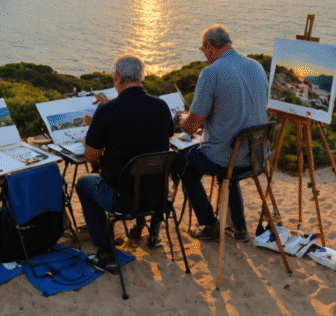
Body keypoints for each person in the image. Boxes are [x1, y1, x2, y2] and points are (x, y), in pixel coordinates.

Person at [75, 55, 174, 272]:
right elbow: (163, 138)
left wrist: (97, 130)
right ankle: (146, 229)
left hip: (123, 201)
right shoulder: (161, 106)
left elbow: (90, 156)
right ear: (141, 77)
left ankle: (105, 249)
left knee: (83, 184)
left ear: (117, 77)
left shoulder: (107, 111)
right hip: (157, 196)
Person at [175, 24, 269, 241]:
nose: (204, 55)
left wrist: (180, 119)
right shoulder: (256, 66)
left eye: (203, 50)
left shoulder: (211, 73)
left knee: (184, 164)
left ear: (209, 45)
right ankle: (239, 227)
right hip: (256, 157)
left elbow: (192, 126)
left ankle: (209, 224)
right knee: (227, 158)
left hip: (229, 160)